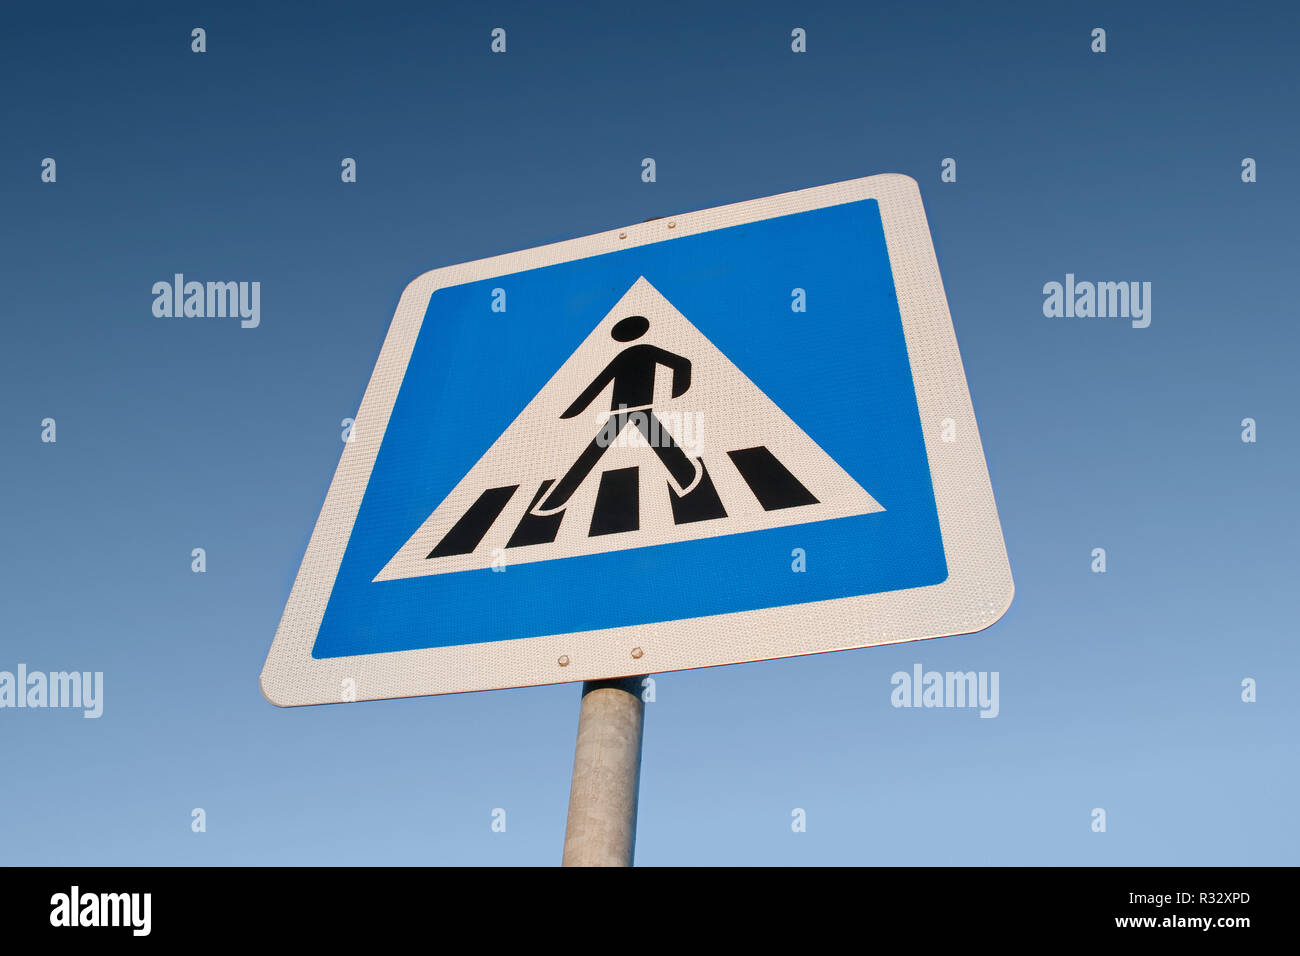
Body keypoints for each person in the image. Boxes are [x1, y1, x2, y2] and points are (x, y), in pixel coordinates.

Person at [533, 315, 702, 515]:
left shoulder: (643, 350)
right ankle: (686, 475)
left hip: (633, 408)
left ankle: (686, 475)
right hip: (625, 409)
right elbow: (599, 384)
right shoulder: (634, 353)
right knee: (601, 448)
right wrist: (574, 410)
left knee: (598, 449)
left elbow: (681, 364)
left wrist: (677, 391)